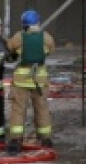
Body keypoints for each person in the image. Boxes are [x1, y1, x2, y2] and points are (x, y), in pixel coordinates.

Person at [5, 9, 56, 154]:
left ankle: (16, 140)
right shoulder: (47, 37)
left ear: (23, 24)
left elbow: (9, 49)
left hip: (21, 80)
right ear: (38, 22)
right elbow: (50, 50)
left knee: (18, 110)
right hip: (39, 81)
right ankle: (45, 139)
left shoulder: (18, 37)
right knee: (42, 109)